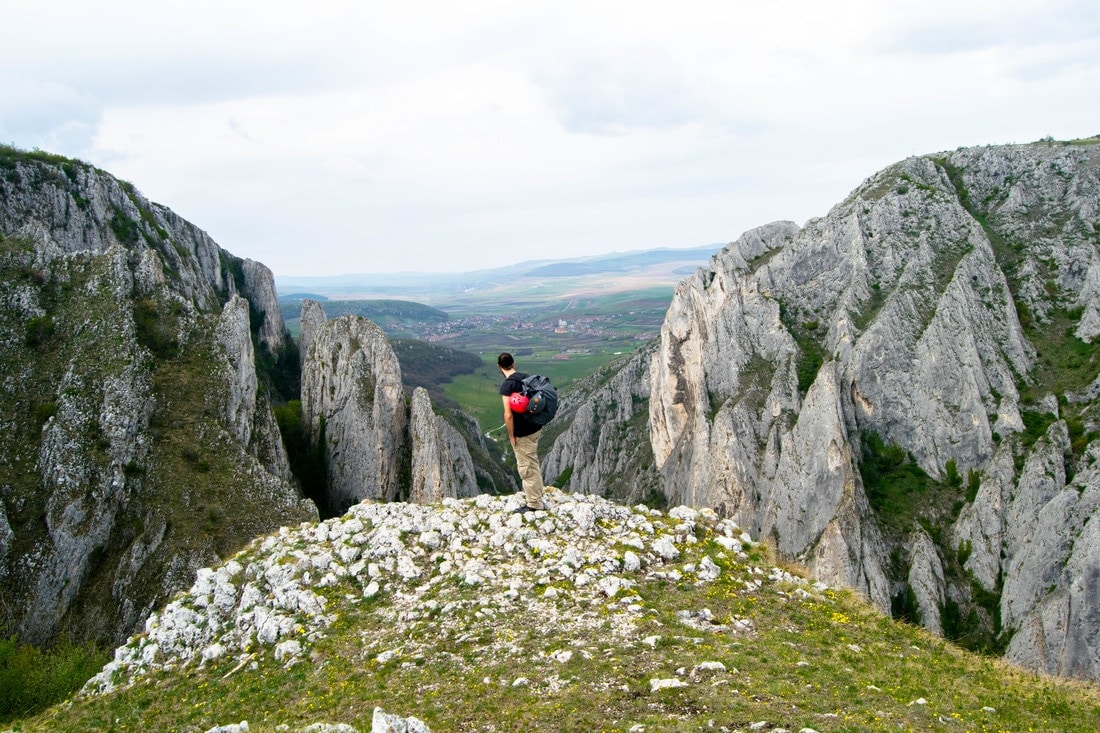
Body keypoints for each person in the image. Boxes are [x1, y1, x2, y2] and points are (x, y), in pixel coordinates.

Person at [497, 352, 545, 513]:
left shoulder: (507, 386)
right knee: (533, 462)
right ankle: (537, 495)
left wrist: (511, 435)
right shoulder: (526, 378)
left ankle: (534, 504)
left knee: (527, 467)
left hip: (522, 433)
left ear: (499, 367)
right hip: (535, 428)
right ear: (513, 363)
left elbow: (508, 414)